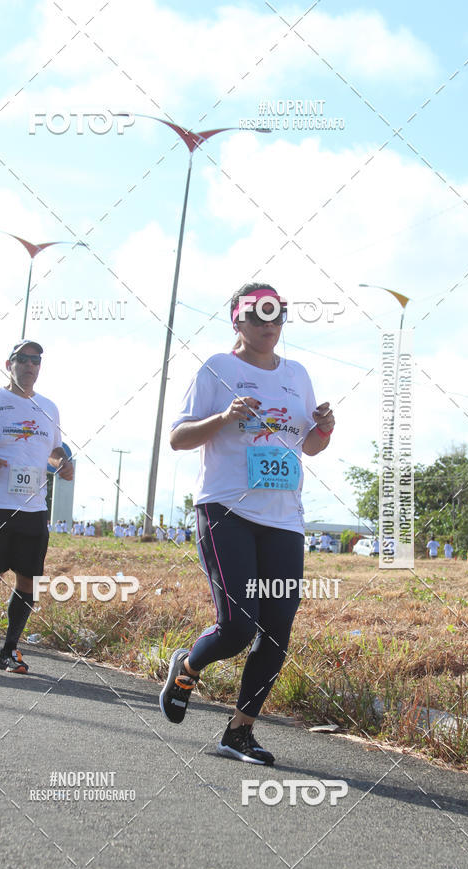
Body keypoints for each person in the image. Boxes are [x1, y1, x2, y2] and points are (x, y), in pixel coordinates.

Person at [159, 282, 334, 765]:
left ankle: (239, 732)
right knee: (238, 626)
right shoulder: (218, 368)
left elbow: (309, 446)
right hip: (226, 511)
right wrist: (224, 416)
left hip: (284, 519)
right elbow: (178, 438)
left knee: (276, 629)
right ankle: (187, 666)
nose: (269, 324)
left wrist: (323, 429)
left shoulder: (297, 374)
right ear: (237, 319)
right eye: (258, 315)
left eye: (278, 315)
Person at [0, 340, 73, 673]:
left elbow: (55, 450)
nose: (30, 365)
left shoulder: (49, 407)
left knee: (29, 582)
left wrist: (63, 464)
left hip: (33, 509)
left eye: (36, 360)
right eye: (23, 359)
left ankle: (9, 650)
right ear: (10, 364)